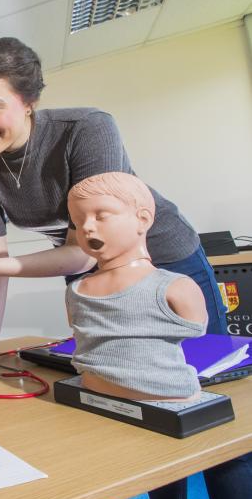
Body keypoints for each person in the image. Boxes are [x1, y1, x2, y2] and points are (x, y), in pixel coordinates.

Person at [0, 36, 248, 499]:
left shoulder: (86, 127)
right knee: (133, 395)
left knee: (203, 400)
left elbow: (94, 242)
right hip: (91, 270)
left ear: (29, 100)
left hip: (166, 259)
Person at [66, 172, 205, 402]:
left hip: (167, 396)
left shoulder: (176, 288)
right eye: (79, 221)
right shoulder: (76, 290)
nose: (87, 227)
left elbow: (197, 327)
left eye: (101, 216)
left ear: (143, 219)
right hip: (92, 392)